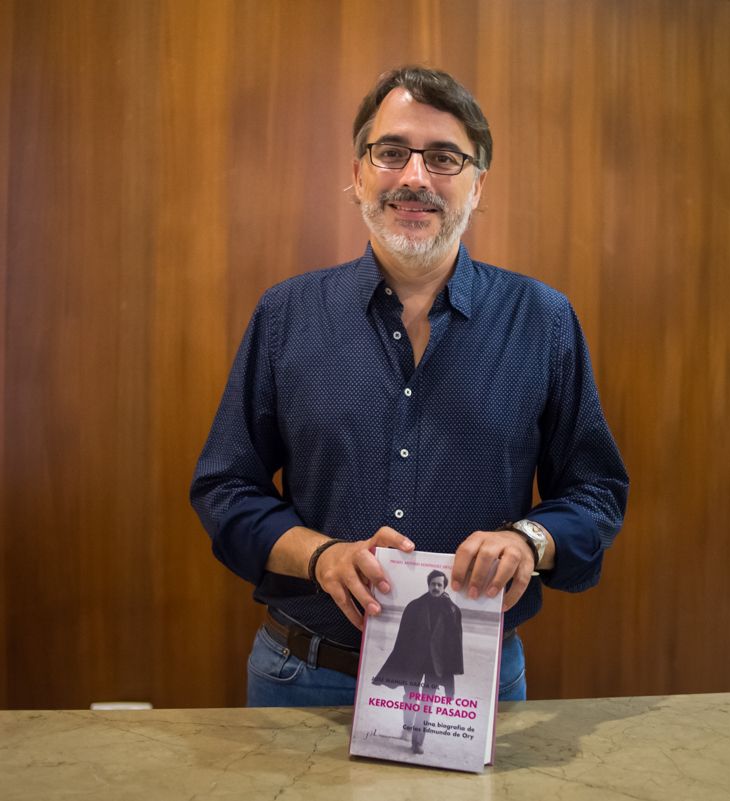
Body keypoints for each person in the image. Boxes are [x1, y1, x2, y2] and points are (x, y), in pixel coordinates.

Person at [190, 65, 628, 708]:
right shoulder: (286, 315)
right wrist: (320, 556)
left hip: (471, 683)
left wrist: (527, 542)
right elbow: (225, 487)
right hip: (303, 678)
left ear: (479, 184)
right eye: (392, 152)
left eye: (445, 158)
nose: (415, 177)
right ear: (358, 173)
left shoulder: (543, 318)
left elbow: (596, 492)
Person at [372, 570, 464, 754]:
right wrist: (397, 661)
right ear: (428, 585)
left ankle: (417, 742)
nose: (436, 587)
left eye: (439, 584)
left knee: (427, 702)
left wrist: (452, 669)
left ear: (444, 587)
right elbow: (402, 639)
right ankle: (407, 727)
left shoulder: (452, 610)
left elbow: (455, 643)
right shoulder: (414, 606)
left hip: (436, 664)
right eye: (433, 584)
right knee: (411, 696)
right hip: (413, 661)